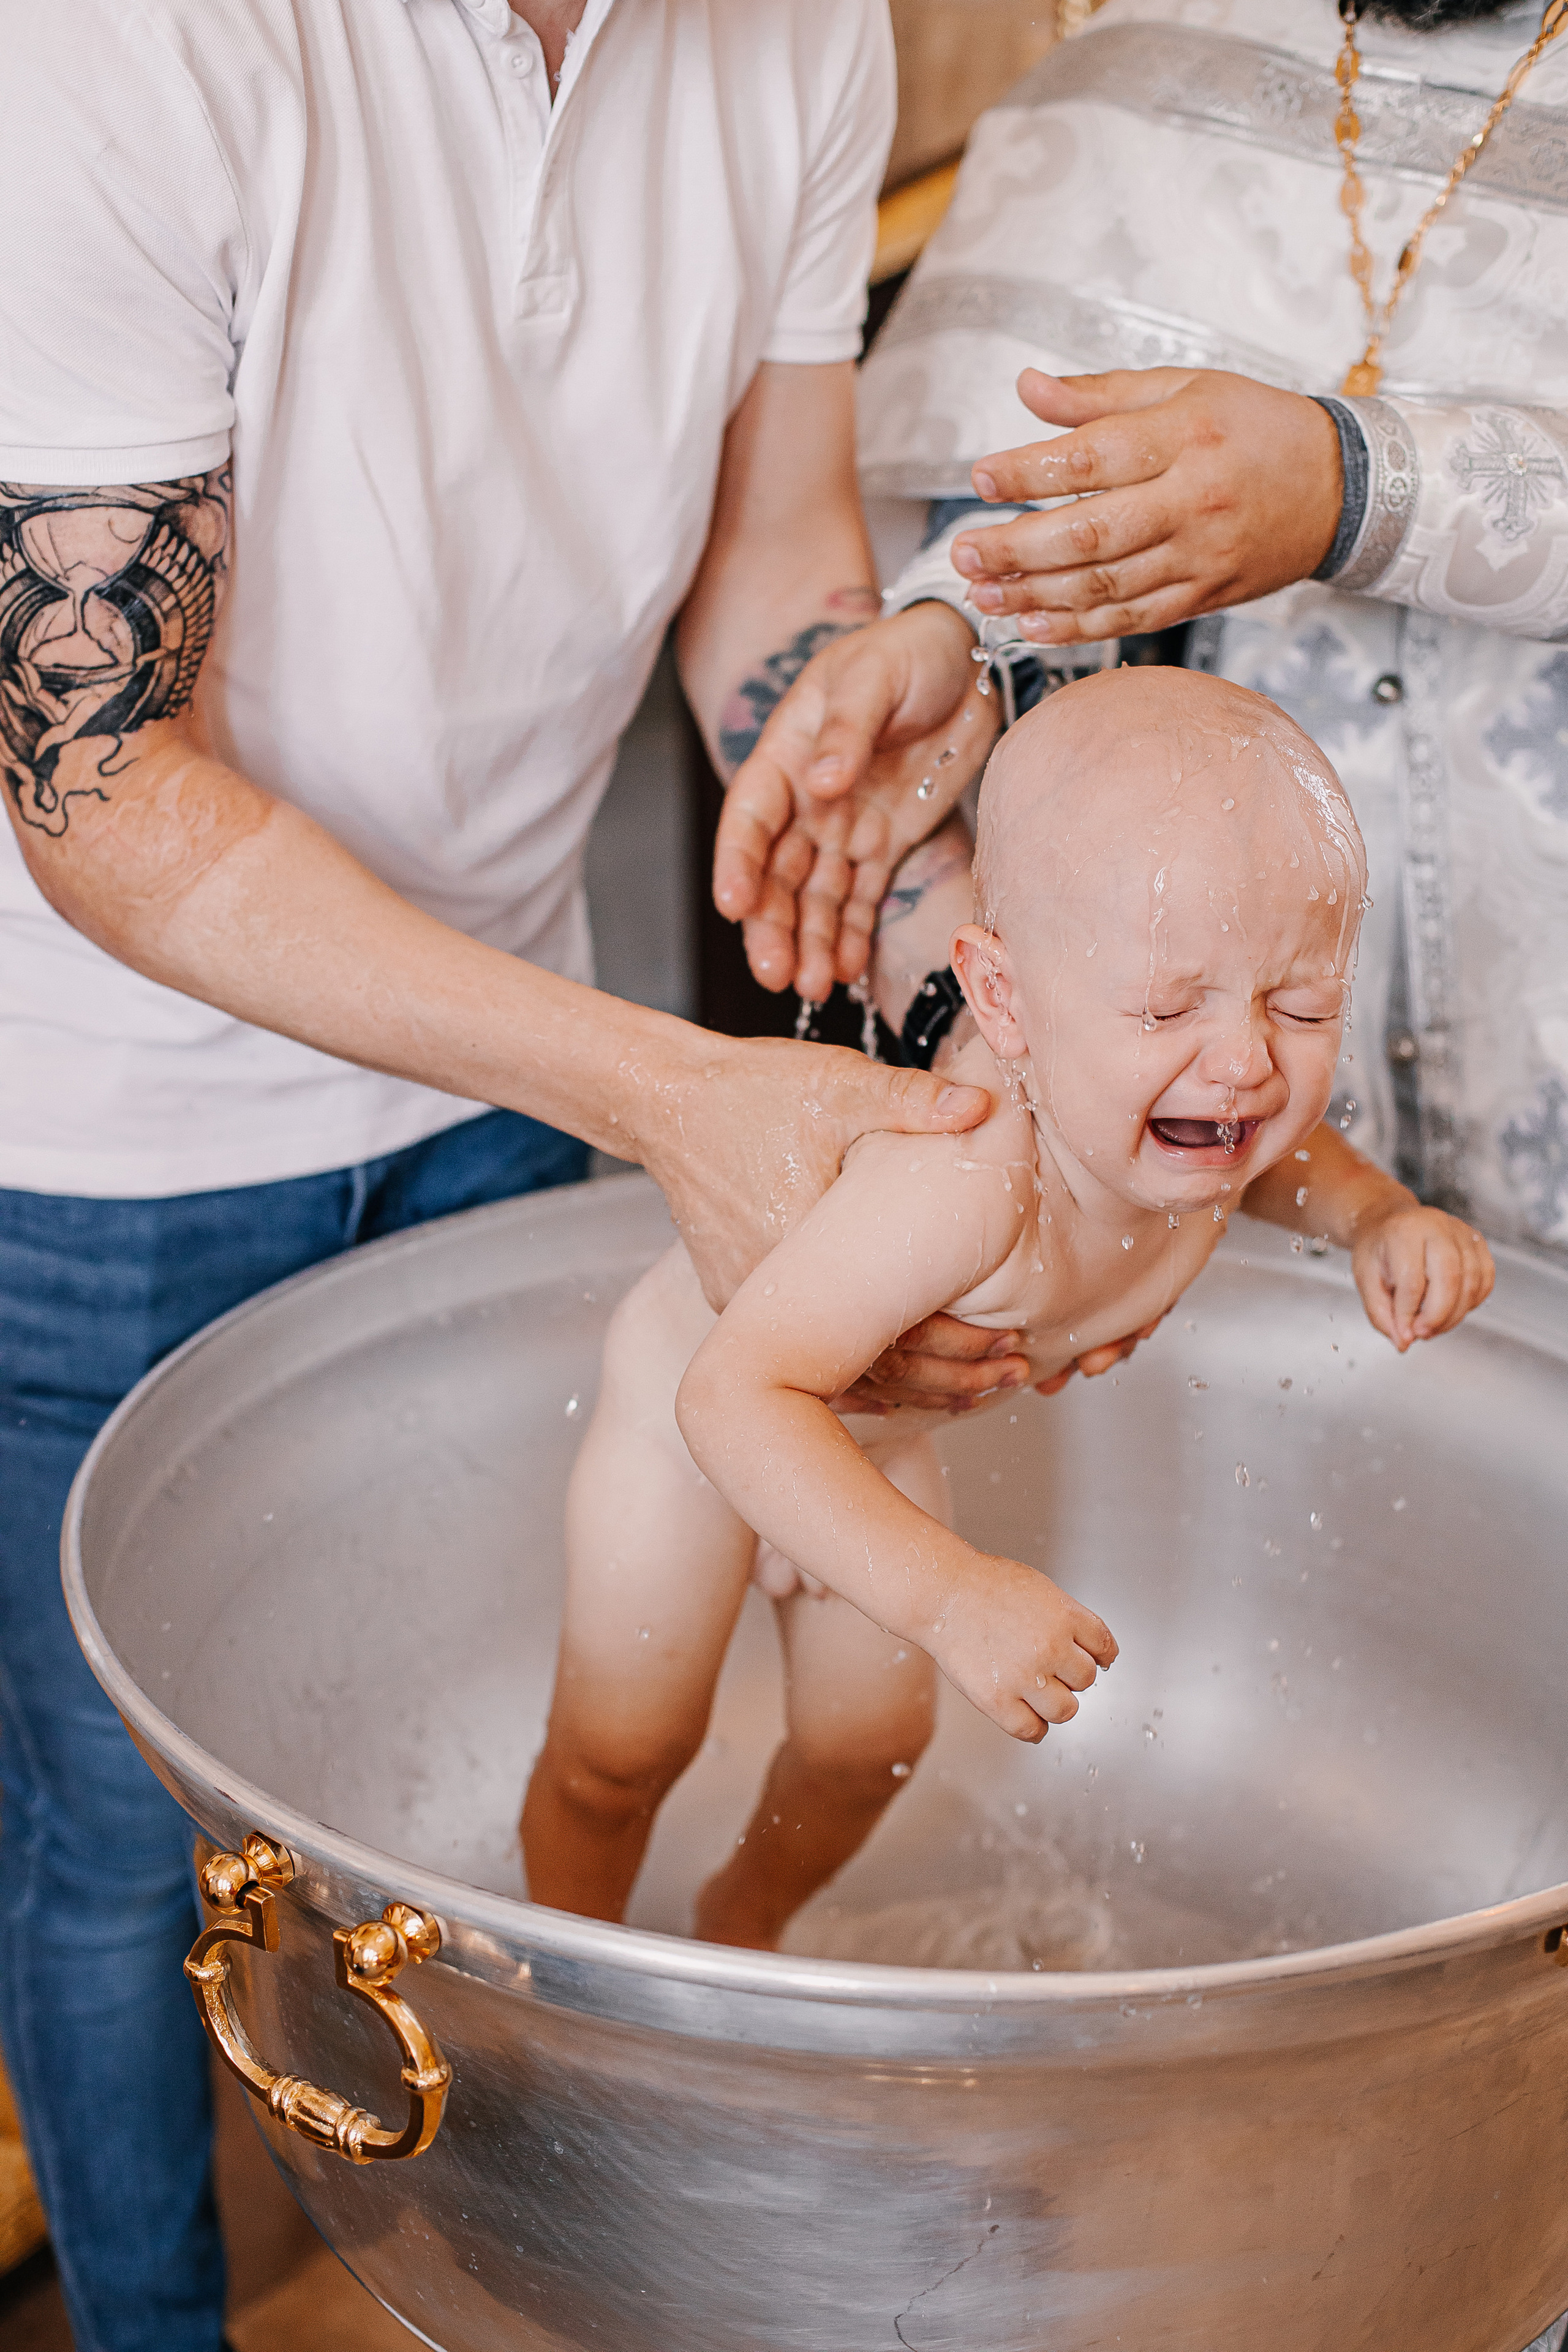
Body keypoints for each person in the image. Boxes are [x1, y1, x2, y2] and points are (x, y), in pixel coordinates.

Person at [0, 6, 1025, 2346]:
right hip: (94, 1123)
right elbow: (98, 792)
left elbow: (771, 554)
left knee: (428, 1759)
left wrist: (922, 872)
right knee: (106, 1853)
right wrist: (673, 1092)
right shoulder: (115, 45)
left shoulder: (796, 33)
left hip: (502, 1054)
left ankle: (441, 2290)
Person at [521, 667, 1493, 1952]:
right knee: (622, 1750)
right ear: (1004, 1004)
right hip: (703, 1432)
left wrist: (1379, 1218)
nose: (1245, 1061)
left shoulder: (1205, 1110)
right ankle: (549, 1981)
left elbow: (1286, 1163)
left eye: (1301, 1003)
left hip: (860, 1440)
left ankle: (735, 1931)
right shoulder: (967, 1174)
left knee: (868, 1745)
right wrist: (948, 1597)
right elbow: (732, 1394)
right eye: (1164, 1008)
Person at [716, 0, 1568, 1269]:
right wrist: (955, 624)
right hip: (1222, 1126)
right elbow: (1017, 494)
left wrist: (1353, 490)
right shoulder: (1153, 47)